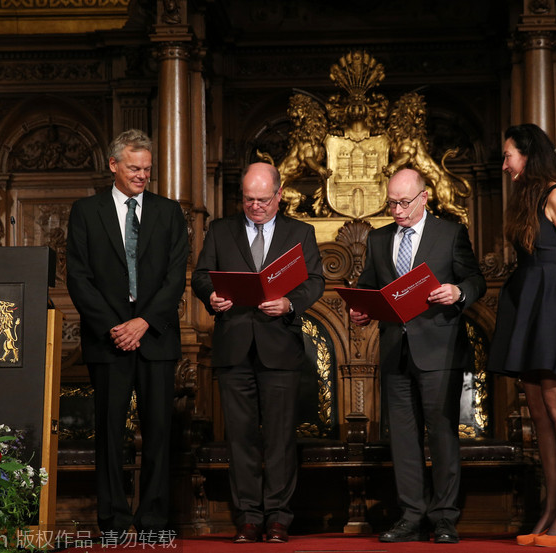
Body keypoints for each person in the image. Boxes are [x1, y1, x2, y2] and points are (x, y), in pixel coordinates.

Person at [350, 167, 486, 544]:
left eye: (404, 202)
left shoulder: (450, 233)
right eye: (391, 202)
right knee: (404, 439)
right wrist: (360, 310)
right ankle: (411, 515)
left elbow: (476, 281)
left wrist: (458, 292)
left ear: (424, 197)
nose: (397, 210)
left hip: (439, 349)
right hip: (395, 349)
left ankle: (444, 517)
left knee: (442, 435)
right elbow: (367, 288)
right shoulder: (378, 240)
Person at [191, 162, 324, 544]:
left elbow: (315, 280)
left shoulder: (301, 233)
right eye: (249, 199)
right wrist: (210, 295)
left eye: (263, 200)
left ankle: (279, 518)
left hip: (279, 347)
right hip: (234, 347)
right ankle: (249, 517)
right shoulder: (220, 230)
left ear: (279, 196)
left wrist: (289, 304)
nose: (255, 206)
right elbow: (202, 275)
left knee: (280, 438)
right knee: (241, 438)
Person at [66, 129, 189, 541]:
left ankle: (153, 520)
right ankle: (113, 521)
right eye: (134, 168)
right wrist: (115, 327)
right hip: (109, 340)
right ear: (113, 164)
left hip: (155, 339)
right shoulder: (86, 212)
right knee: (110, 436)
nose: (142, 176)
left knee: (158, 434)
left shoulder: (169, 212)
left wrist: (144, 323)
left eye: (147, 169)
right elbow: (79, 278)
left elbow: (175, 278)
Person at [488, 123, 556, 547]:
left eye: (509, 154)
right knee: (537, 410)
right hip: (528, 300)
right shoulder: (527, 196)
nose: (504, 164)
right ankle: (552, 508)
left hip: (553, 302)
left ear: (528, 154)